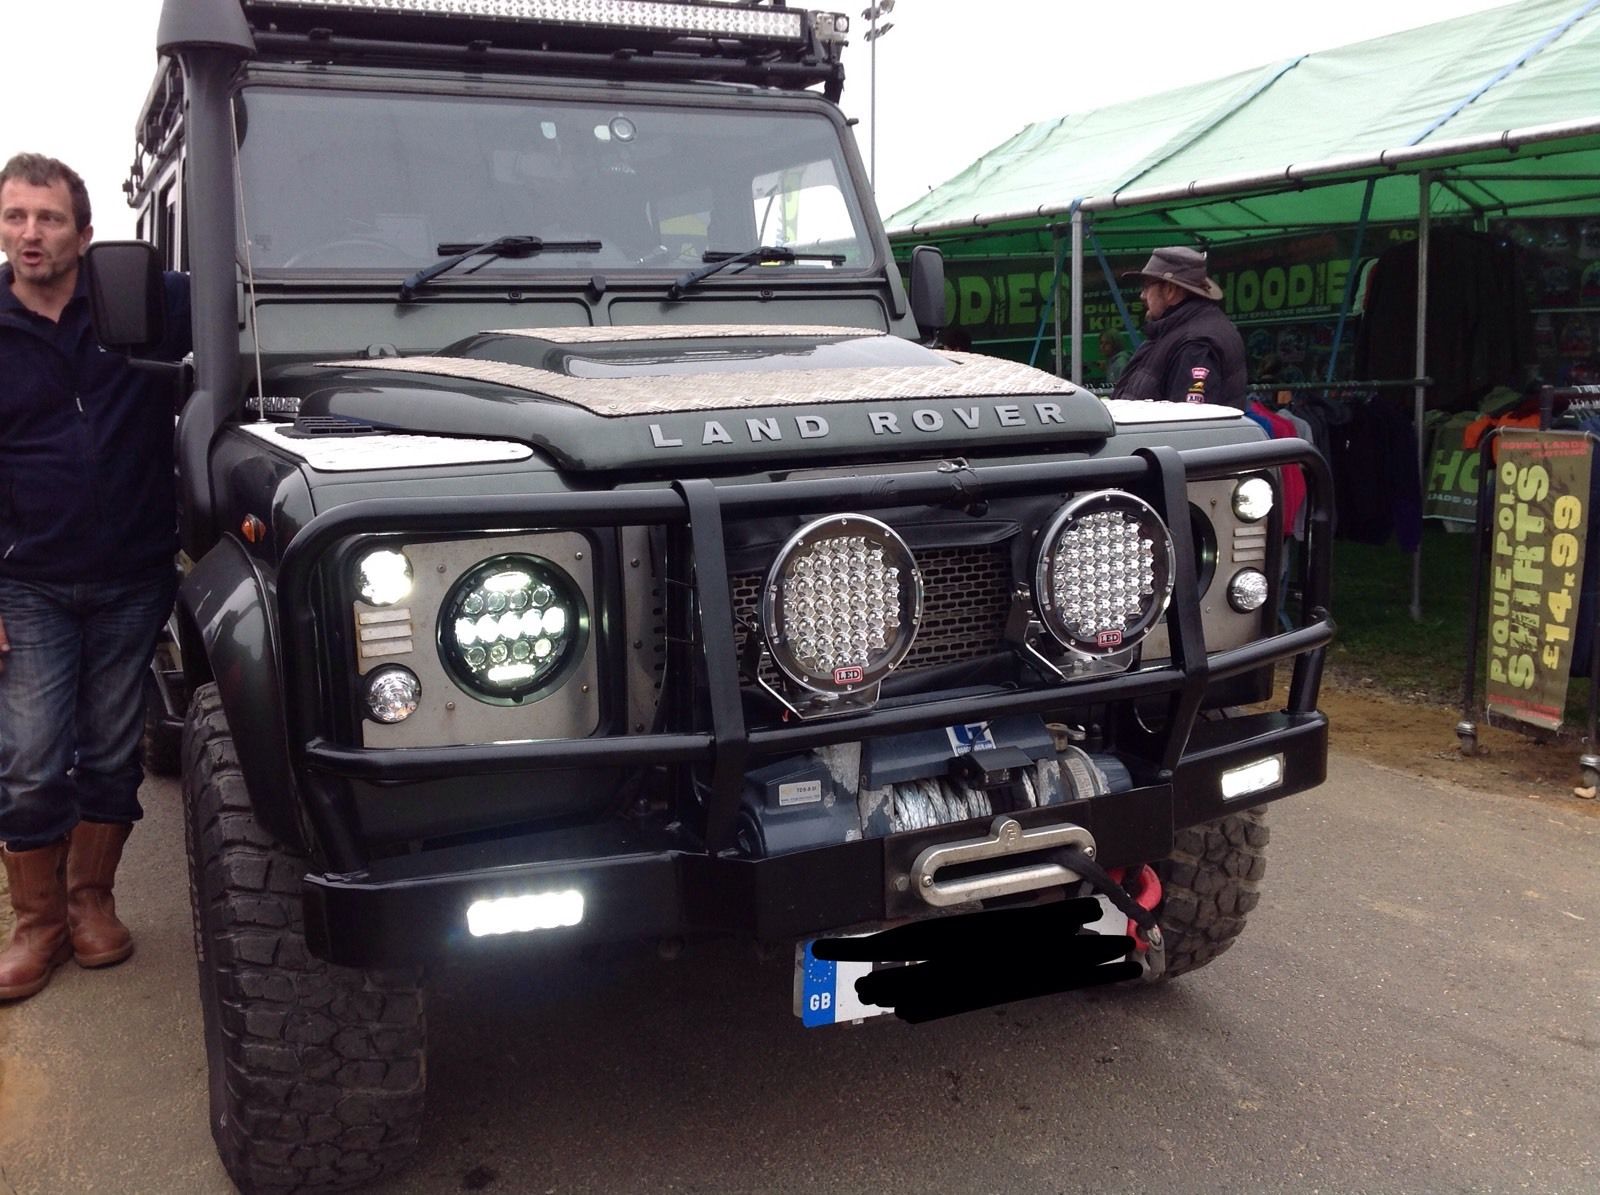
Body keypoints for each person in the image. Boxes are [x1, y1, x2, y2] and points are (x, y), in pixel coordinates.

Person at [0, 153, 190, 1001]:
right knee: (33, 760)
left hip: (133, 573)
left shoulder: (146, 305)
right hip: (29, 580)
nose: (28, 234)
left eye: (46, 218)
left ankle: (90, 903)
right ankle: (35, 925)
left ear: (84, 231)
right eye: (14, 217)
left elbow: (247, 305)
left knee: (111, 751)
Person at [1110, 246, 1247, 408]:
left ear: (1170, 290)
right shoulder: (1178, 333)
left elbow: (1188, 424)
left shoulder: (1196, 345)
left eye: (1147, 286)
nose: (1143, 296)